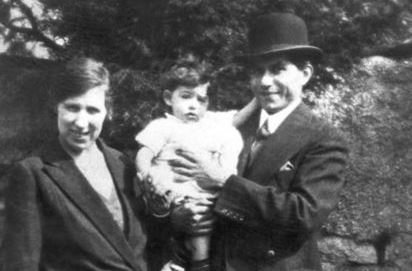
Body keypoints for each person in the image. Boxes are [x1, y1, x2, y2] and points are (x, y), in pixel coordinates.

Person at [168, 12, 349, 271]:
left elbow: (303, 215)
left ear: (305, 73)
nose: (265, 82)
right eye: (257, 71)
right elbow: (185, 186)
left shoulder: (323, 138)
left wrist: (224, 182)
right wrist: (180, 218)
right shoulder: (231, 128)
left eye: (277, 69)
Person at [1, 57, 164, 271]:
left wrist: (164, 213)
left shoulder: (124, 164)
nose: (81, 122)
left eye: (92, 110)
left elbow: (142, 247)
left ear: (108, 112)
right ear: (56, 107)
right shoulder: (32, 173)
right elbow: (20, 264)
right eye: (72, 108)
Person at [135, 60, 257, 271]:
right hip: (173, 192)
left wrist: (258, 100)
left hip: (203, 194)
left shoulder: (209, 124)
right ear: (168, 98)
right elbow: (144, 152)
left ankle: (196, 263)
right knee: (190, 235)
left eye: (201, 100)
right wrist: (147, 175)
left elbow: (236, 118)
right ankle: (190, 263)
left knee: (206, 228)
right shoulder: (163, 126)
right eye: (186, 96)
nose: (194, 105)